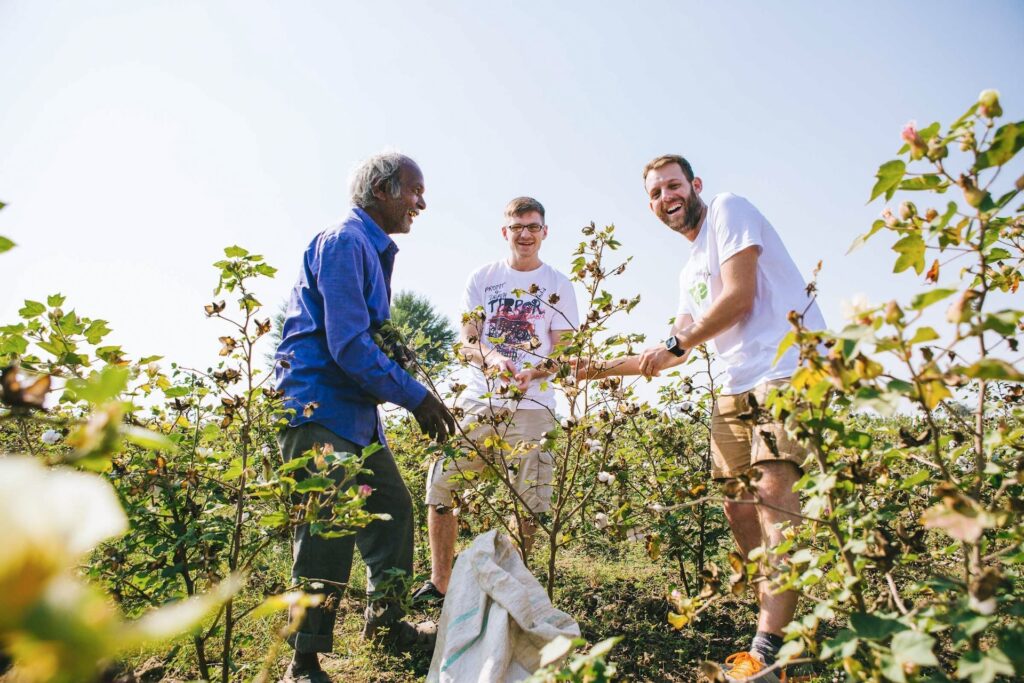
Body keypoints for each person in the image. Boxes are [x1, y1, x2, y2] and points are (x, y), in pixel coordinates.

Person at [578, 155, 825, 683]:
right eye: (655, 193)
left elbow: (738, 298)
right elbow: (669, 352)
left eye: (673, 185)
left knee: (774, 491)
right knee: (739, 509)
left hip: (785, 367)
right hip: (735, 385)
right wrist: (589, 369)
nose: (666, 197)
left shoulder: (729, 210)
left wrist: (677, 342)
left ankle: (770, 648)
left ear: (695, 185)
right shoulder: (689, 269)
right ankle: (791, 621)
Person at [274, 152, 456, 683]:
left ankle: (388, 624)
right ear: (382, 189)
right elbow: (349, 344)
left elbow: (366, 337)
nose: (421, 203)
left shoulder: (370, 251)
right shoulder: (345, 242)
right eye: (414, 191)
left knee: (393, 510)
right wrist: (416, 395)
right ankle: (302, 662)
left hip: (354, 413)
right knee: (327, 528)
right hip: (320, 407)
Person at [411, 196, 579, 606]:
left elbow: (563, 351)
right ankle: (441, 584)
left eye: (533, 227)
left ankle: (505, 587)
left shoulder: (559, 285)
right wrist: (494, 358)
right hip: (479, 401)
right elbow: (468, 341)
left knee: (529, 502)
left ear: (545, 232)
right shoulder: (483, 278)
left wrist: (536, 371)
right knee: (441, 484)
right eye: (517, 227)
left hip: (535, 407)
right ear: (505, 232)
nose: (525, 234)